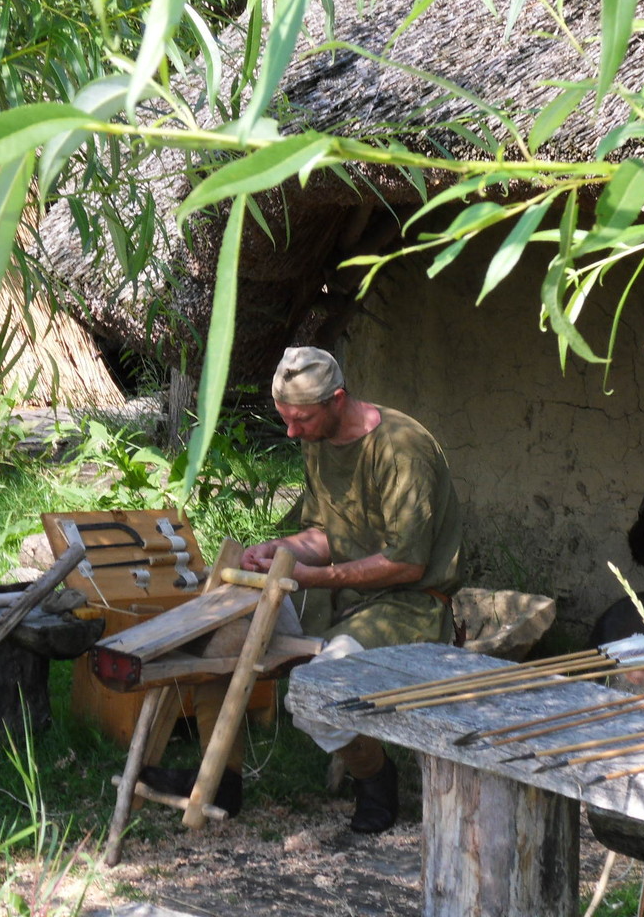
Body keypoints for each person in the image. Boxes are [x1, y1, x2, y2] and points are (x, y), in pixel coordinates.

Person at [142, 346, 462, 834]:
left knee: (316, 696)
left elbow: (407, 564)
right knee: (221, 633)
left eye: (301, 419)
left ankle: (375, 778)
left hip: (409, 606)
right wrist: (276, 550)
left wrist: (315, 577)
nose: (292, 432)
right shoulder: (317, 439)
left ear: (337, 400)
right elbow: (323, 537)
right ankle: (221, 781)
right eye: (285, 419)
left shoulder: (401, 450)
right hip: (339, 598)